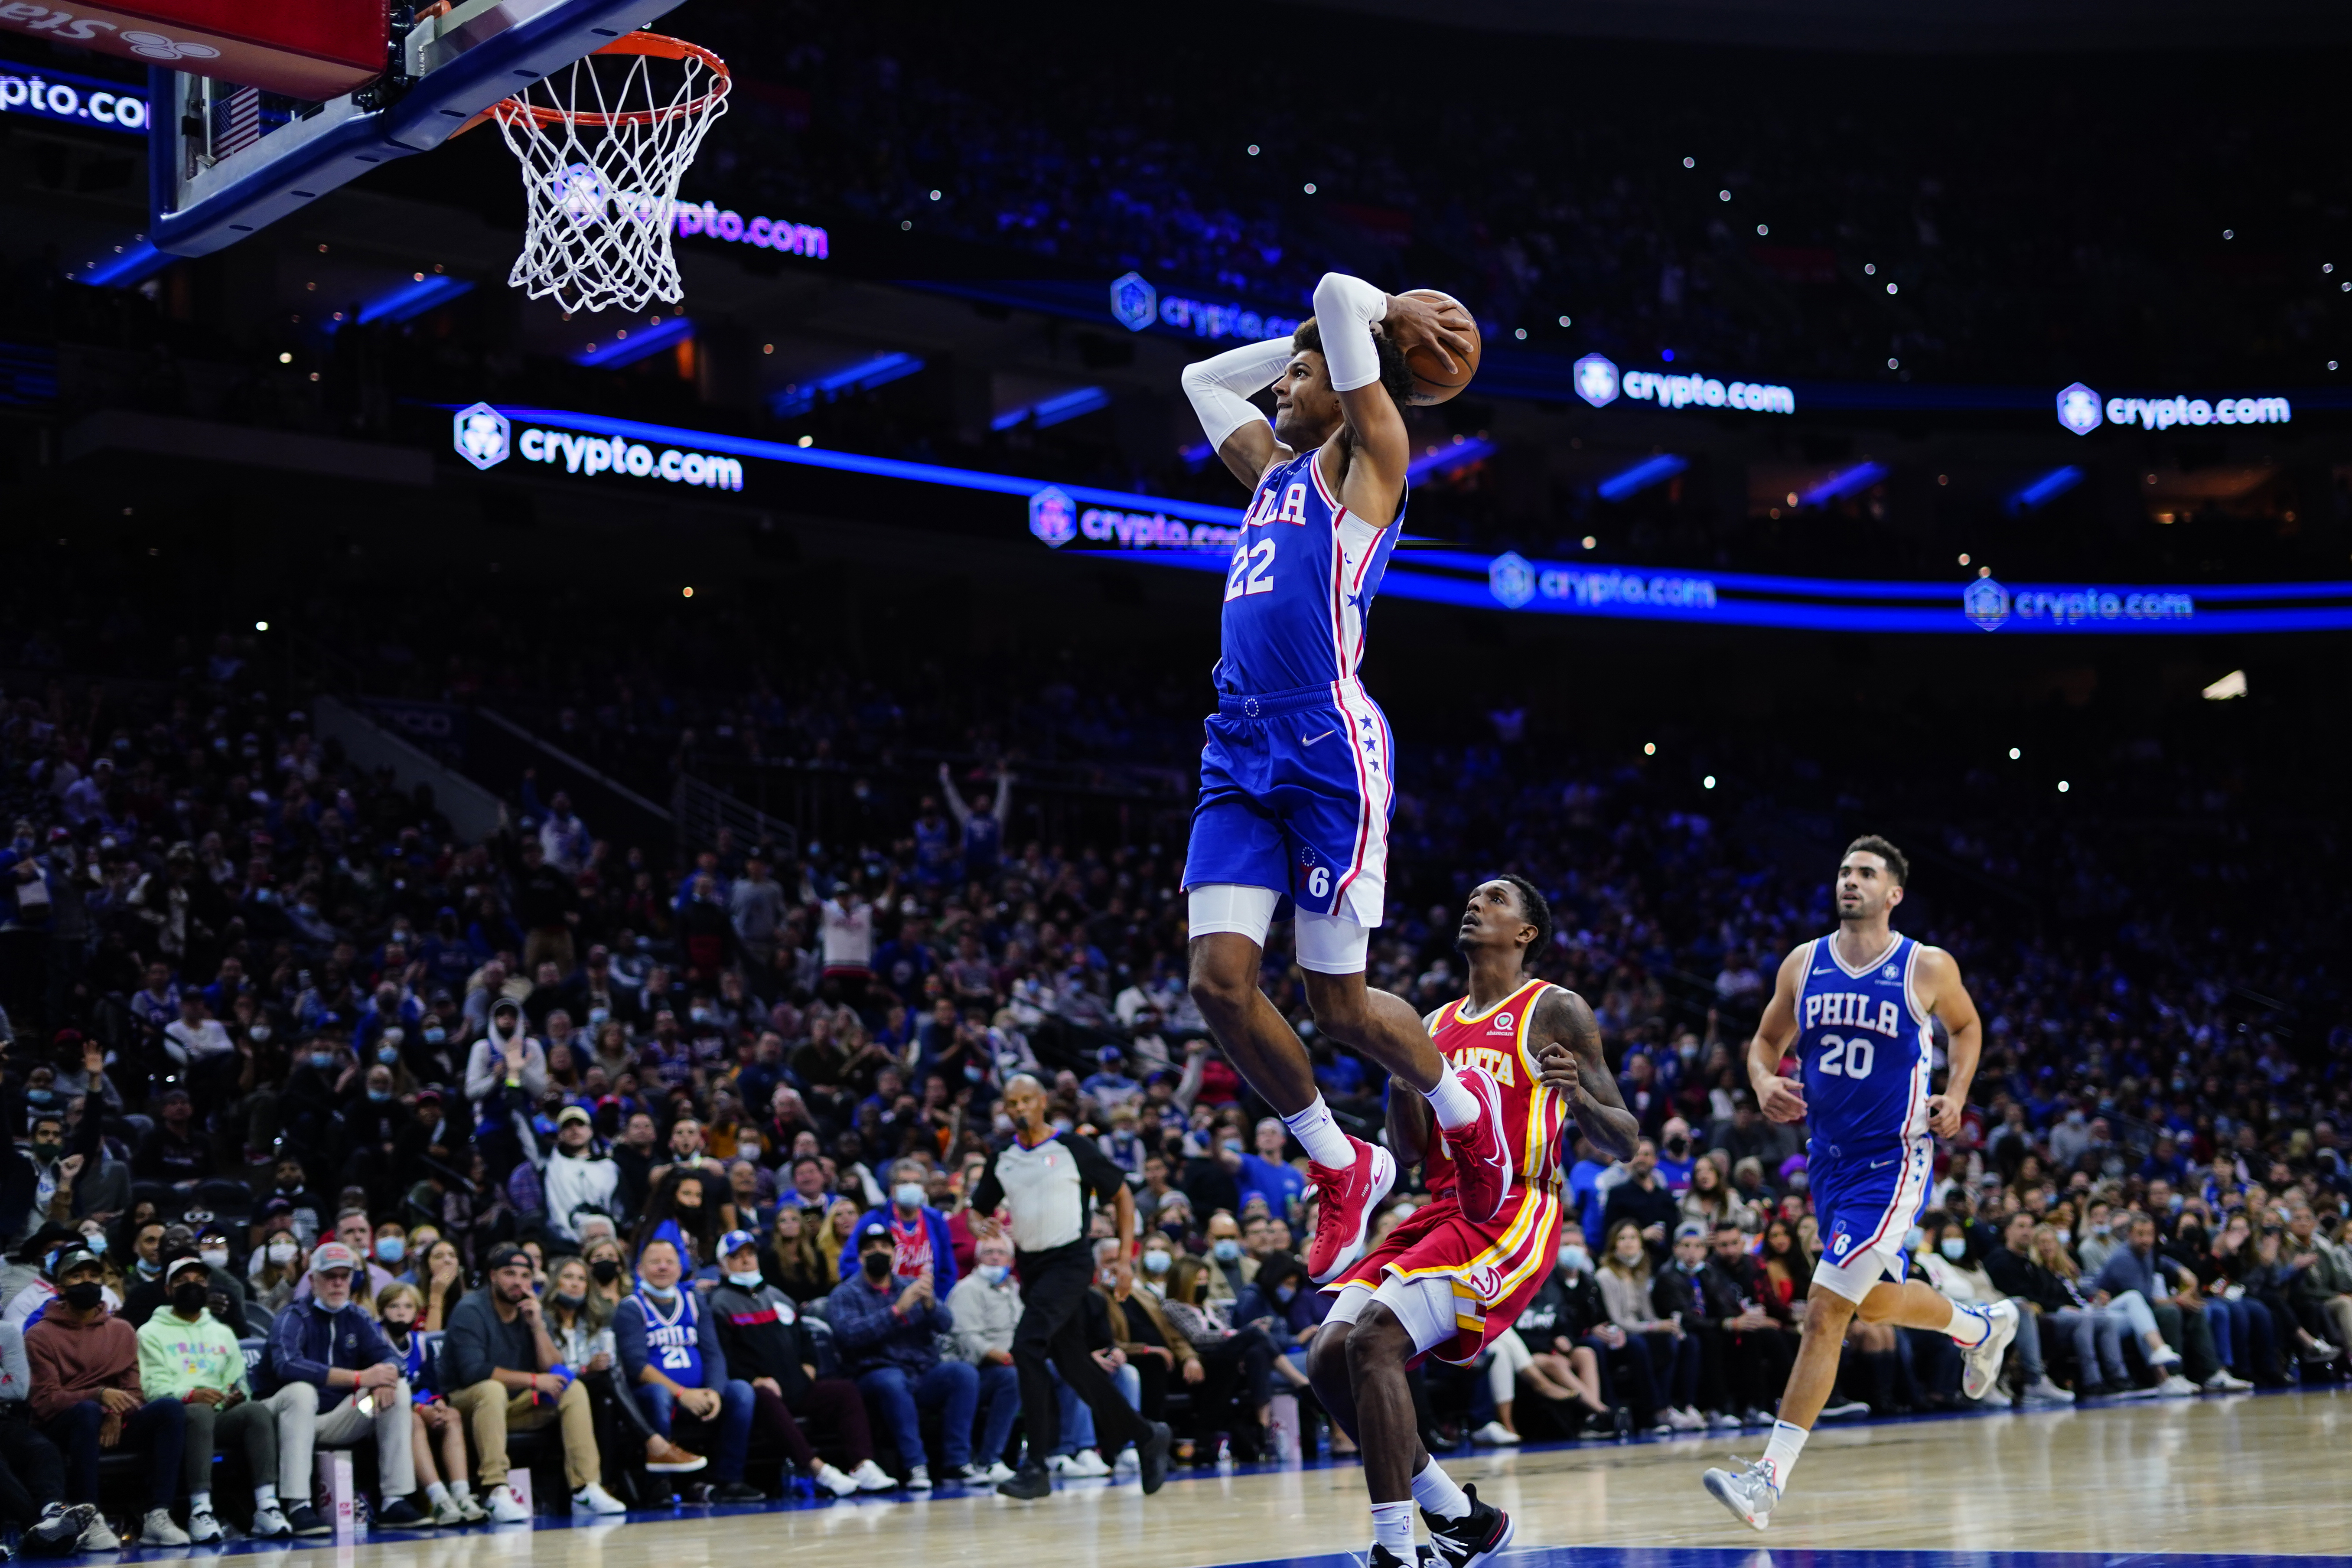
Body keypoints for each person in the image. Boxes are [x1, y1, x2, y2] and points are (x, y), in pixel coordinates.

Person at [1175, 276, 1516, 1288]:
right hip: (1237, 744)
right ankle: (1342, 1156)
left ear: (1356, 380)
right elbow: (1200, 376)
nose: (1281, 384)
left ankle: (1466, 1113)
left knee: (1343, 1006)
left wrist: (1361, 325)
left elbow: (1332, 291)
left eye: (1301, 371)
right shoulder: (1270, 470)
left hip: (1328, 745)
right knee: (1217, 981)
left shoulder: (1373, 459)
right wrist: (1295, 351)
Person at [1310, 876, 1637, 1568]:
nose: (1474, 903)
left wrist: (1576, 1097)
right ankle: (1460, 1517)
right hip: (1440, 1207)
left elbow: (1626, 1140)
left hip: (1516, 1210)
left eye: (1495, 899)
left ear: (1525, 932)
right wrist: (1401, 1085)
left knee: (1374, 1343)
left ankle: (1396, 1550)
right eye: (1473, 896)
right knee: (1327, 1356)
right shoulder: (1428, 1025)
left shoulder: (1555, 1009)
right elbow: (1405, 1152)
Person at [1703, 837, 2006, 1530]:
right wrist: (1760, 1080)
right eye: (1843, 871)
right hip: (1827, 1161)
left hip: (1893, 1160)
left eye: (1866, 873)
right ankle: (1977, 1326)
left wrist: (1956, 1095)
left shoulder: (1924, 964)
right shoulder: (1803, 962)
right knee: (1869, 1303)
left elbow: (1965, 1027)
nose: (1850, 881)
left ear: (1893, 892)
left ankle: (1766, 1481)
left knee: (1823, 1309)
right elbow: (1762, 1042)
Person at [974, 1072, 1171, 1500]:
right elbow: (977, 1206)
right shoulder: (1003, 1157)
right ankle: (1145, 1433)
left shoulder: (1073, 1147)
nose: (1020, 1108)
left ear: (1042, 1101)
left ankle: (1036, 1464)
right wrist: (980, 1221)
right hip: (1031, 1267)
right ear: (1006, 1109)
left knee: (1026, 1347)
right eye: (1013, 1102)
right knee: (1072, 1364)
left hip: (1070, 1261)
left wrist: (1122, 1258)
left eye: (1028, 1099)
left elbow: (1120, 1194)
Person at [442, 1241, 629, 1519]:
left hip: (510, 1407)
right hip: (463, 1405)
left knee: (572, 1388)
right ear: (493, 1276)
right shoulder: (471, 1309)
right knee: (492, 1390)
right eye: (509, 1274)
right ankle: (495, 1490)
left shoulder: (530, 1310)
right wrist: (534, 1381)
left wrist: (538, 1326)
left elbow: (554, 1367)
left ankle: (585, 1488)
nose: (518, 1282)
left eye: (525, 1275)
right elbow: (473, 1372)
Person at [137, 1254, 314, 1541]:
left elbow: (239, 1380)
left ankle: (267, 1505)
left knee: (256, 1410)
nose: (192, 1285)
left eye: (199, 1280)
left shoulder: (222, 1332)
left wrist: (236, 1395)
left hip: (218, 1414)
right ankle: (201, 1509)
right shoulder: (149, 1332)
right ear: (168, 1289)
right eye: (182, 1281)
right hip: (175, 1418)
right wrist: (191, 1394)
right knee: (199, 1411)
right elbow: (152, 1388)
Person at [25, 1245, 192, 1548]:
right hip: (63, 1427)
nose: (86, 1281)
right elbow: (45, 1401)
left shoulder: (122, 1330)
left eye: (93, 1275)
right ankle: (91, 1520)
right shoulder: (39, 1335)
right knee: (87, 1411)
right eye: (77, 1276)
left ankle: (158, 1514)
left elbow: (134, 1393)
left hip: (112, 1422)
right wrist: (100, 1397)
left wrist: (115, 1413)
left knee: (169, 1409)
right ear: (60, 1287)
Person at [707, 1229, 894, 1495]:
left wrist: (809, 1364)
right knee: (764, 1396)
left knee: (845, 1392)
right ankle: (819, 1470)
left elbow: (805, 1335)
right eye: (736, 1257)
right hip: (760, 1390)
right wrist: (753, 1379)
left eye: (750, 1254)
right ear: (723, 1266)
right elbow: (722, 1355)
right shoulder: (720, 1303)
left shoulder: (778, 1296)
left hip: (796, 1384)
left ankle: (863, 1465)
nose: (746, 1261)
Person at [267, 1242, 433, 1531]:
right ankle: (298, 1505)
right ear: (312, 1279)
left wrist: (387, 1376)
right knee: (302, 1391)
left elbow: (391, 1356)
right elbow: (287, 1365)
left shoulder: (357, 1316)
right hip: (285, 1417)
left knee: (398, 1390)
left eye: (345, 1276)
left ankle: (394, 1500)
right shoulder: (294, 1316)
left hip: (341, 1419)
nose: (338, 1283)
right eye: (330, 1275)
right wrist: (359, 1379)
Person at [826, 1221, 978, 1489]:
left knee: (962, 1374)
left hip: (922, 1371)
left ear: (895, 1254)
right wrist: (896, 1311)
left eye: (885, 1247)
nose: (879, 1252)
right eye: (871, 1248)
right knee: (893, 1381)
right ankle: (915, 1466)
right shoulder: (845, 1294)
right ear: (861, 1257)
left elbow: (946, 1325)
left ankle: (957, 1462)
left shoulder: (911, 1285)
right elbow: (849, 1336)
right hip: (874, 1374)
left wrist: (931, 1305)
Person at [612, 1235, 765, 1502]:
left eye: (669, 1262)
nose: (662, 1268)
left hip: (696, 1394)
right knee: (658, 1393)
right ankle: (658, 1485)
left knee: (741, 1391)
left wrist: (715, 1392)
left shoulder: (695, 1301)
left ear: (680, 1268)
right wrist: (682, 1393)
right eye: (655, 1262)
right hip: (653, 1397)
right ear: (639, 1270)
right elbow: (637, 1366)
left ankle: (728, 1480)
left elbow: (713, 1354)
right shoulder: (630, 1308)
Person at [375, 1283, 488, 1526]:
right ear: (382, 1311)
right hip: (375, 1407)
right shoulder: (375, 1338)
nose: (401, 1312)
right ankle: (438, 1498)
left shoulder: (422, 1343)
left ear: (417, 1313)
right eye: (394, 1306)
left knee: (452, 1416)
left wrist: (436, 1404)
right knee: (413, 1420)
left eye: (408, 1307)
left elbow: (431, 1385)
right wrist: (418, 1408)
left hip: (417, 1403)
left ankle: (462, 1494)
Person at [0, 1318, 96, 1558]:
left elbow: (18, 1388)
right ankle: (42, 1530)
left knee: (42, 1449)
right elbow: (7, 1384)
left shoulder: (6, 1332)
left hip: (3, 1418)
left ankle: (52, 1510)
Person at [943, 1232, 1025, 1483]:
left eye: (1001, 1252)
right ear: (978, 1259)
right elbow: (968, 1340)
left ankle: (1065, 1451)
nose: (995, 1257)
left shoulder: (1017, 1290)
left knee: (1057, 1369)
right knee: (1011, 1377)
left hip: (1014, 1362)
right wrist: (1009, 1358)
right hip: (976, 1368)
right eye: (989, 1252)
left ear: (1011, 1261)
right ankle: (989, 1460)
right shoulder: (967, 1290)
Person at [544, 1106, 619, 1245]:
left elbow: (620, 1208)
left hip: (608, 1242)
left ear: (590, 1131)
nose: (574, 1130)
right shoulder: (550, 1164)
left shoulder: (610, 1167)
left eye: (580, 1125)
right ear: (560, 1134)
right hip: (564, 1244)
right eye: (568, 1126)